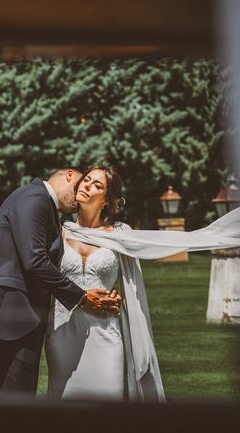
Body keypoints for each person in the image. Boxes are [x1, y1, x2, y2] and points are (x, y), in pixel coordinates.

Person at [0, 167, 121, 396]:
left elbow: (22, 255)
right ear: (70, 176)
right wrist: (81, 297)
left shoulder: (45, 207)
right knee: (16, 404)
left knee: (18, 401)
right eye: (83, 181)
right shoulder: (35, 198)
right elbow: (35, 261)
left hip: (26, 319)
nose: (83, 190)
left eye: (95, 185)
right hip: (12, 318)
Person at [46, 164, 165, 401]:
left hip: (105, 334)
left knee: (105, 412)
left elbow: (132, 284)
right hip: (62, 332)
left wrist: (118, 295)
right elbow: (37, 269)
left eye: (97, 185)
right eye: (87, 180)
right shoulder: (58, 231)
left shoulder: (120, 234)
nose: (87, 185)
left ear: (106, 201)